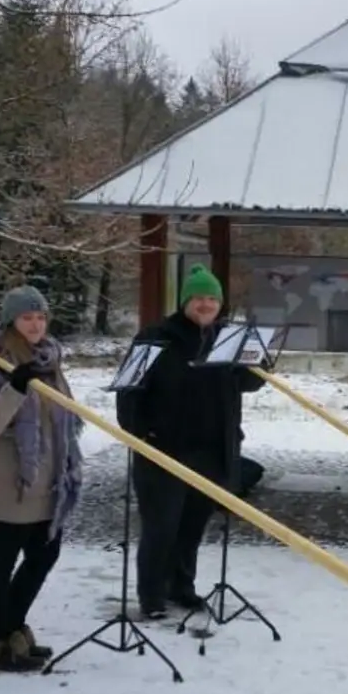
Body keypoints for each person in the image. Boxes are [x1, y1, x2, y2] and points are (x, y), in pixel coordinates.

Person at [117, 264, 264, 620]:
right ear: (185, 301)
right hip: (163, 452)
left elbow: (248, 383)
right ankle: (152, 595)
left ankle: (181, 587)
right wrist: (141, 433)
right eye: (198, 298)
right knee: (161, 527)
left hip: (211, 451)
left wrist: (255, 361)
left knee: (192, 527)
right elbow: (128, 392)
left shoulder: (226, 340)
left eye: (212, 299)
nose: (205, 304)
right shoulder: (155, 338)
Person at [0, 285, 85, 672]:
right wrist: (14, 389)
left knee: (44, 555)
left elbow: (61, 419)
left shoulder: (48, 361)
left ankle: (12, 628)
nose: (35, 325)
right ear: (10, 321)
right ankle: (0, 642)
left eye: (41, 317)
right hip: (6, 484)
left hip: (47, 483)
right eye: (26, 317)